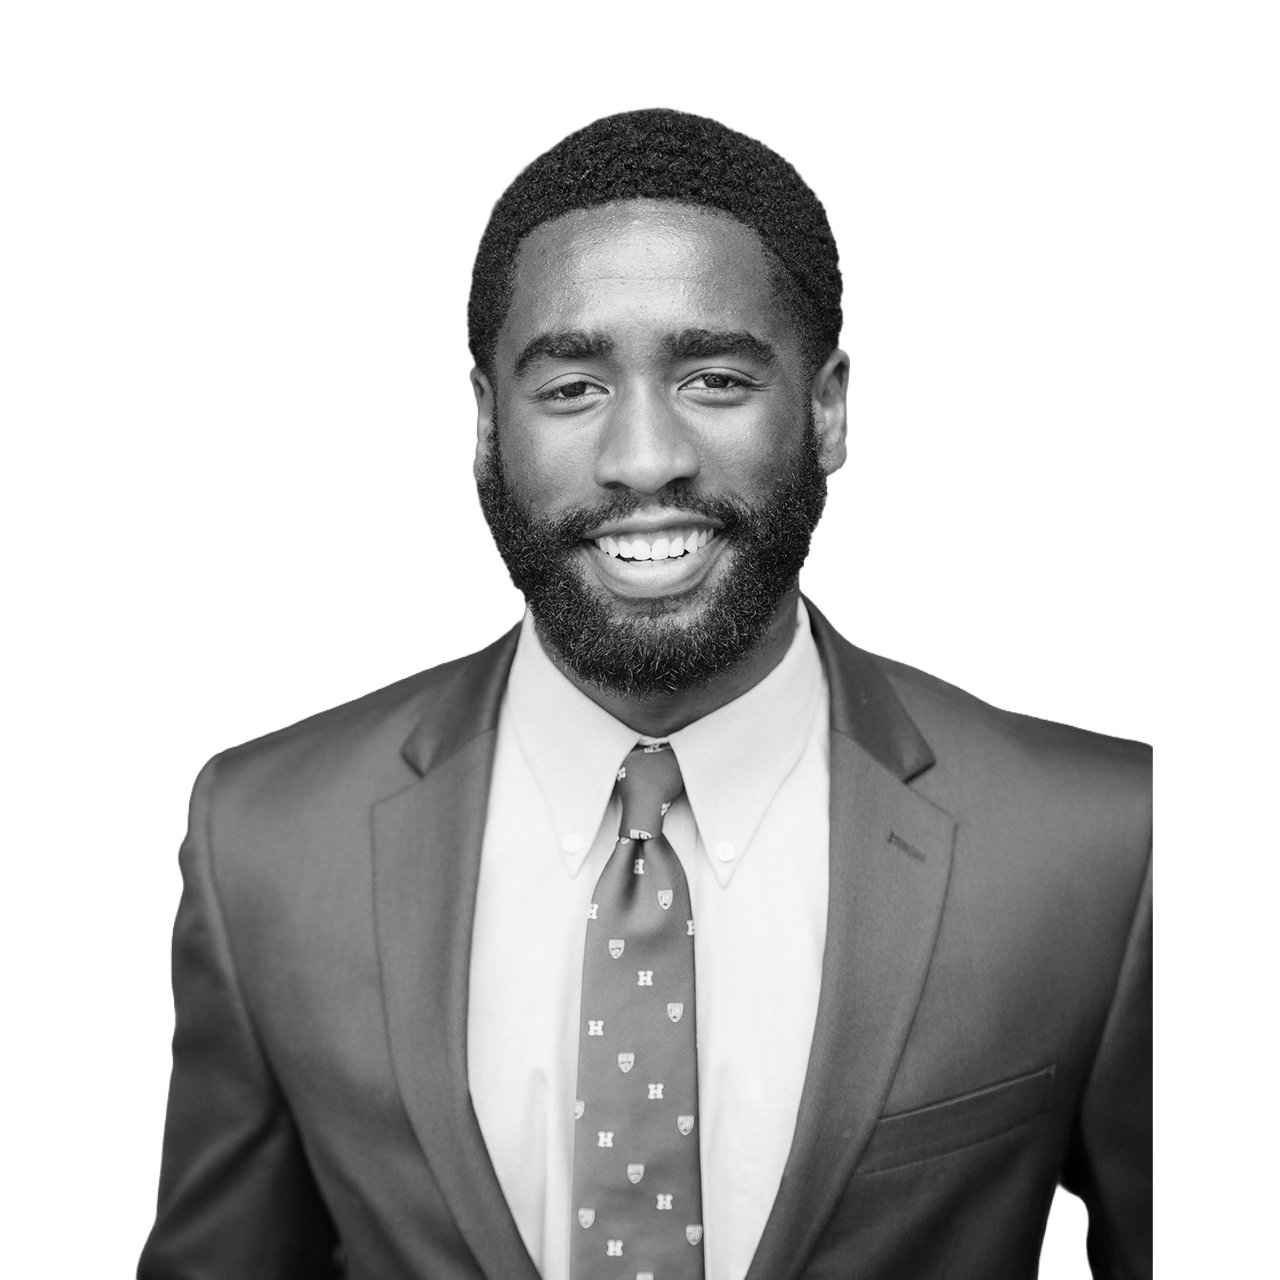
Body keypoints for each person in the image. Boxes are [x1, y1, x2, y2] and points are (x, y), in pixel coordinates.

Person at [137, 106, 1151, 1280]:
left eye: (713, 378)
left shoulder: (1100, 844)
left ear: (827, 407)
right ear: (484, 422)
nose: (641, 457)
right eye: (571, 386)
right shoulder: (264, 839)